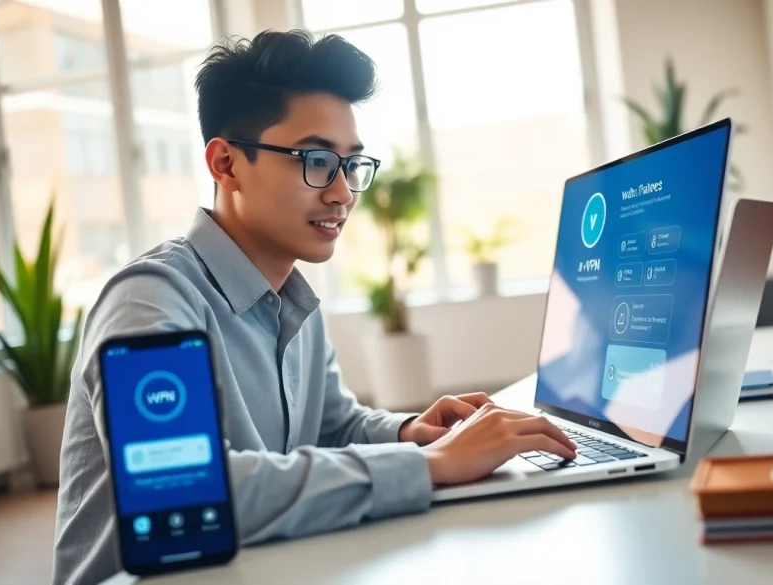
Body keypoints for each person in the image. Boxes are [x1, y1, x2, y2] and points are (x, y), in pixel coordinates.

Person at [52, 29, 577, 585]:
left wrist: (410, 433)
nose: (343, 192)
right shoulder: (150, 299)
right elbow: (180, 493)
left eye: (351, 164)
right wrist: (429, 464)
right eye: (318, 160)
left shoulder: (293, 298)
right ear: (226, 163)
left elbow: (332, 427)